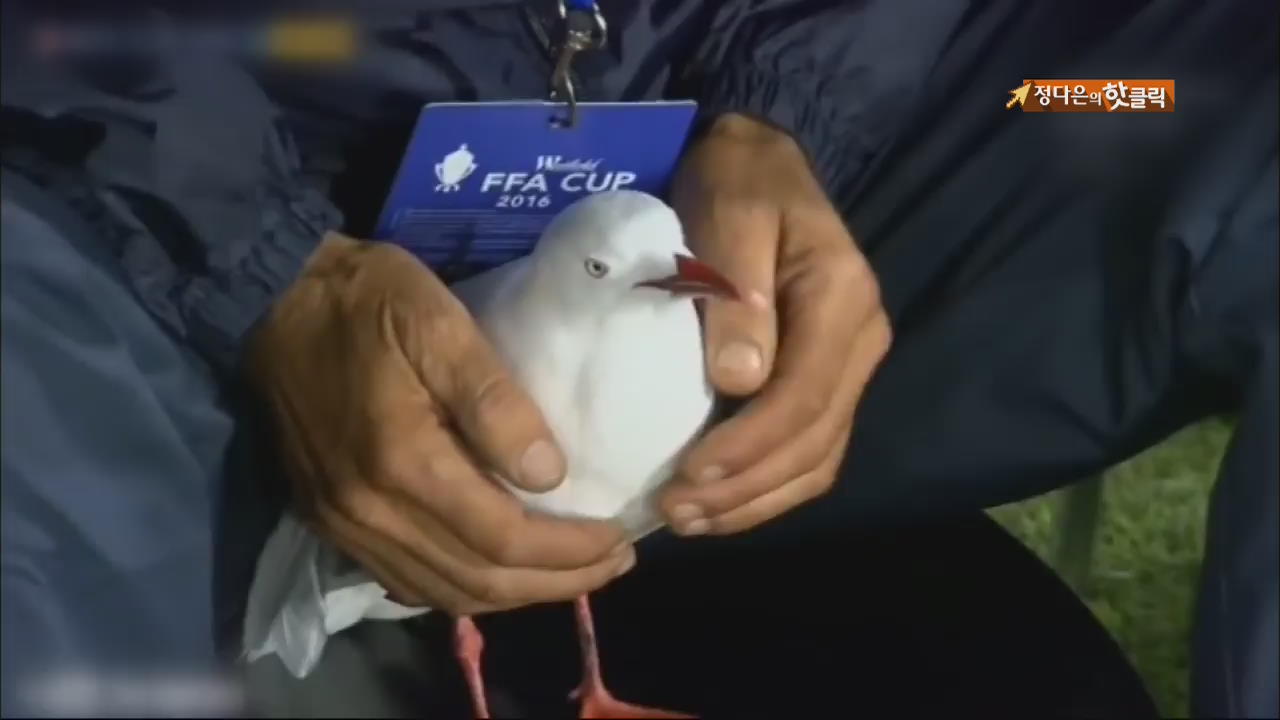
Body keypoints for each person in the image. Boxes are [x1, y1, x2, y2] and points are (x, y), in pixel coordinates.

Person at [0, 0, 1274, 717]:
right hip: (159, 166)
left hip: (781, 123)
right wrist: (257, 256)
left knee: (1196, 101)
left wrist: (788, 102)